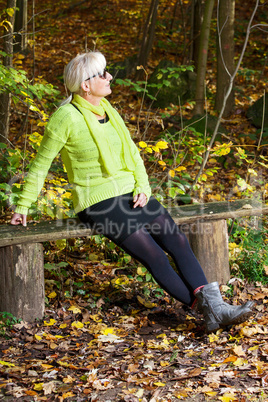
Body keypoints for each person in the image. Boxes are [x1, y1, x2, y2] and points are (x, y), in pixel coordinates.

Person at [11, 51, 254, 333]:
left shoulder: (109, 110)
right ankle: (211, 310)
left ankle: (216, 309)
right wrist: (23, 206)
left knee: (177, 240)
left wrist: (143, 186)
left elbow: (134, 155)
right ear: (85, 85)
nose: (109, 76)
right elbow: (40, 164)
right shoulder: (65, 117)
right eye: (102, 74)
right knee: (154, 255)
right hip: (98, 200)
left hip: (130, 191)